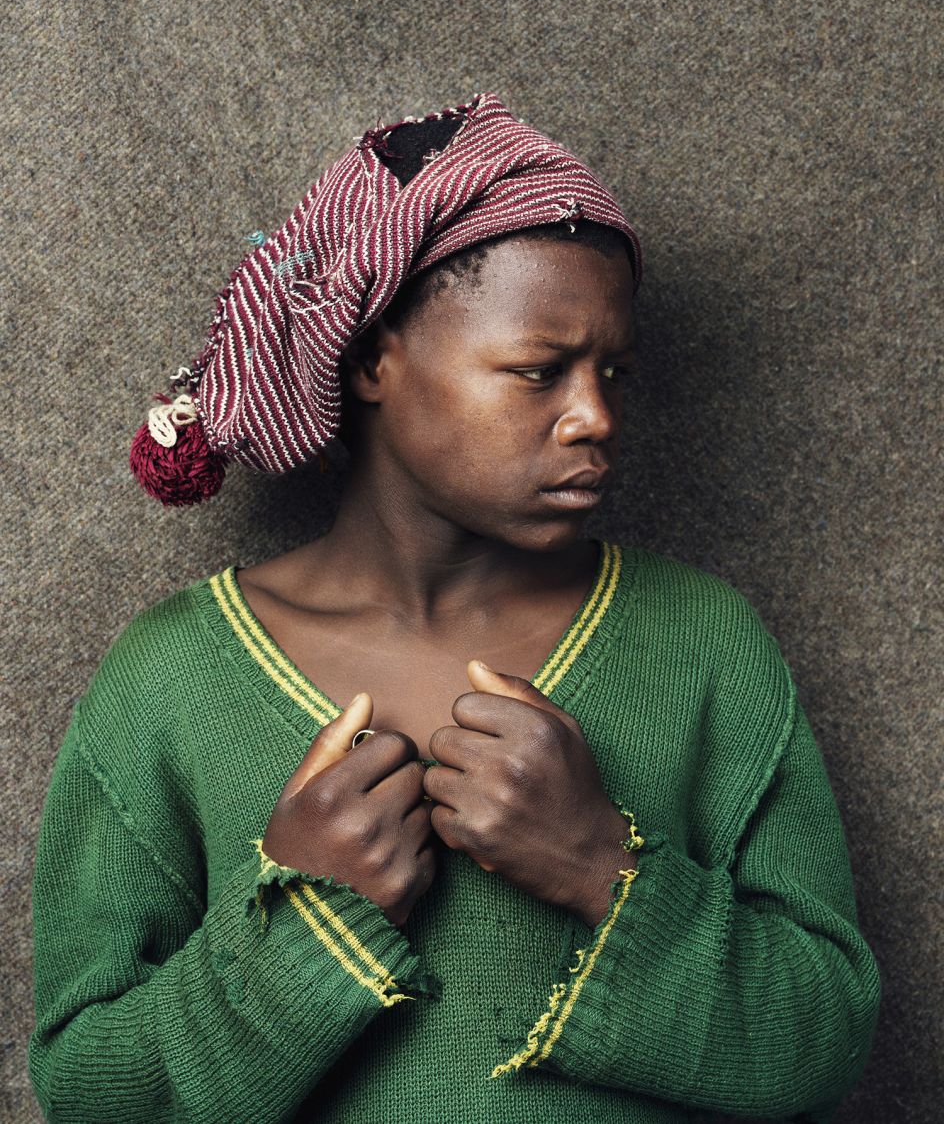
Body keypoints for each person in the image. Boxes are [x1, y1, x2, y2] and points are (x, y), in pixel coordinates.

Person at [29, 92, 880, 1123]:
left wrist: (598, 863)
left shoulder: (702, 641)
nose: (595, 416)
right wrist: (304, 932)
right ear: (373, 358)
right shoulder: (167, 679)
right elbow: (89, 1092)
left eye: (612, 372)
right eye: (539, 371)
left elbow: (825, 1040)